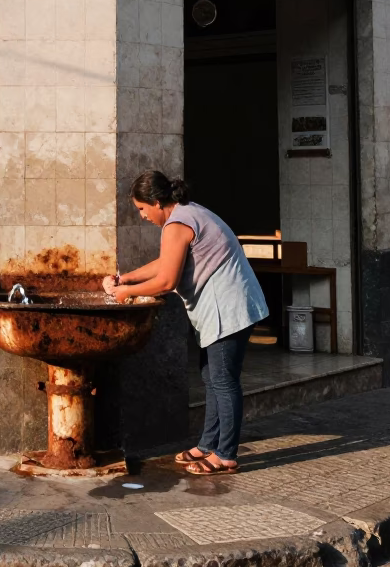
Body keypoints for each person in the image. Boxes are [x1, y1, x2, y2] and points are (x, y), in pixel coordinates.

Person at [103, 169, 269, 475]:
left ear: (156, 202)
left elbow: (166, 280)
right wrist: (126, 278)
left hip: (227, 311)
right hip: (227, 309)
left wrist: (127, 293)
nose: (142, 216)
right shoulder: (187, 214)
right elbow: (165, 262)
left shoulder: (178, 223)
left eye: (141, 209)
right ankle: (207, 445)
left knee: (223, 382)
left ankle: (226, 454)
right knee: (211, 378)